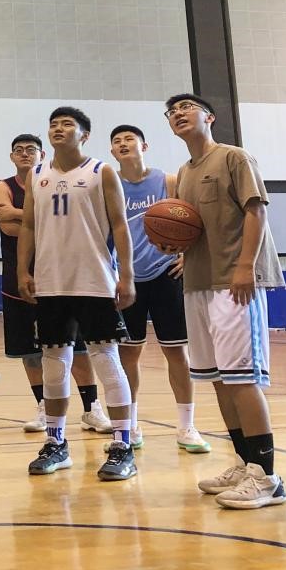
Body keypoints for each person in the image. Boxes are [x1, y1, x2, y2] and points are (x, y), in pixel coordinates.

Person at [162, 93, 286, 509]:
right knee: (218, 379)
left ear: (210, 117)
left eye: (187, 107)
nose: (178, 114)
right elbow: (194, 227)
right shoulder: (184, 172)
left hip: (235, 282)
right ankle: (244, 462)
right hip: (197, 282)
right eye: (172, 112)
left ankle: (267, 477)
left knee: (242, 379)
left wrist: (246, 266)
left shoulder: (234, 157)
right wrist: (177, 246)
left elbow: (256, 212)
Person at [17, 107, 137, 481]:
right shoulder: (37, 174)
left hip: (95, 280)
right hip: (50, 281)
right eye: (53, 124)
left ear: (84, 135)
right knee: (54, 364)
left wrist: (127, 275)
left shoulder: (102, 171)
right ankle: (56, 442)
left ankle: (123, 445)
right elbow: (28, 225)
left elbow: (120, 225)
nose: (58, 129)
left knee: (107, 361)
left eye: (67, 124)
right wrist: (23, 270)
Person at [0, 134, 114, 438]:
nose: (24, 154)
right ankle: (44, 407)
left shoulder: (53, 182)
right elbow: (8, 227)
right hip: (20, 280)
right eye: (18, 150)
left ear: (42, 155)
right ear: (12, 157)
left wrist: (21, 214)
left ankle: (91, 408)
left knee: (78, 347)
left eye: (30, 150)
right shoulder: (2, 187)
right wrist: (45, 218)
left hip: (63, 278)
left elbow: (59, 220)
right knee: (31, 352)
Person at [107, 124, 209, 454]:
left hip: (166, 274)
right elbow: (102, 233)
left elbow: (195, 220)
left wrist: (187, 254)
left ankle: (186, 426)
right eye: (117, 141)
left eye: (129, 139)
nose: (123, 144)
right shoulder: (109, 185)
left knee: (177, 352)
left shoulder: (168, 181)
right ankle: (130, 425)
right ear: (112, 152)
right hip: (127, 278)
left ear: (144, 146)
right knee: (128, 354)